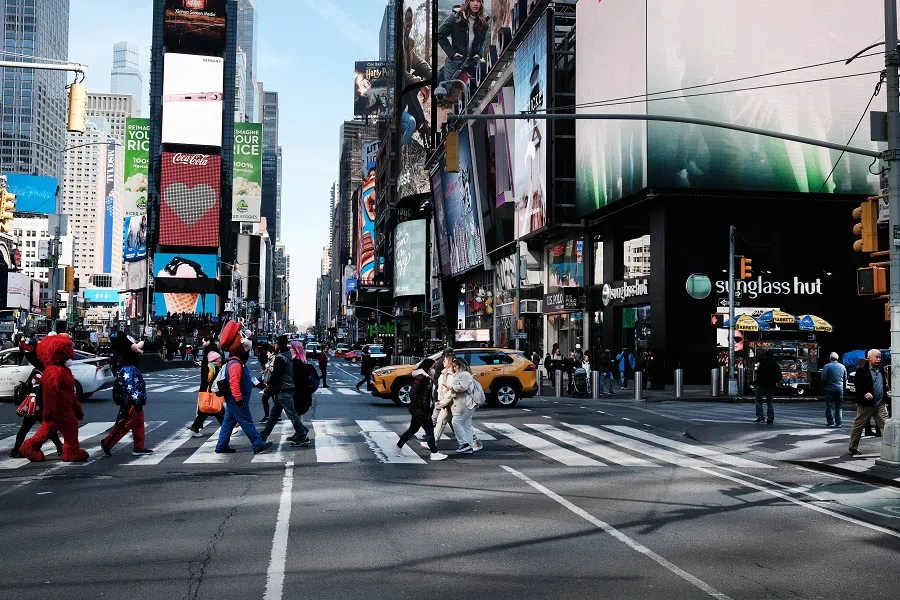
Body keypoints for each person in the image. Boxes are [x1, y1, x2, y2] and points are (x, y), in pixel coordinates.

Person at [214, 321, 272, 455]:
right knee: (246, 421)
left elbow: (246, 380)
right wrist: (239, 399)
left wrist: (259, 385)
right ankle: (257, 444)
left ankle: (221, 446)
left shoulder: (238, 363)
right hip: (237, 399)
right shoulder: (235, 364)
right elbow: (234, 383)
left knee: (228, 423)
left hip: (235, 399)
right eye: (241, 337)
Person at [9, 340, 63, 458]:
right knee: (47, 428)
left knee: (30, 428)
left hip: (34, 406)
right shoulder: (41, 372)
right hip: (38, 406)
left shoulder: (39, 370)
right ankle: (60, 447)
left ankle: (15, 450)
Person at [101, 334, 153, 457]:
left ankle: (138, 447)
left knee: (138, 425)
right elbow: (130, 387)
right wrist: (137, 400)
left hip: (137, 400)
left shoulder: (130, 366)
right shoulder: (128, 368)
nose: (139, 354)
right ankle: (107, 442)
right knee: (125, 424)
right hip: (132, 401)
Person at [260, 335, 310, 446]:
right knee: (274, 416)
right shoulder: (287, 356)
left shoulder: (280, 358)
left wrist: (268, 385)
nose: (274, 346)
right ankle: (263, 435)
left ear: (279, 344)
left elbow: (276, 376)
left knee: (291, 414)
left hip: (284, 390)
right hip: (284, 390)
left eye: (275, 343)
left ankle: (302, 435)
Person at [395, 359, 447, 461]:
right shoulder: (421, 377)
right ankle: (434, 453)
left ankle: (397, 447)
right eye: (432, 367)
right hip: (420, 410)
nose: (433, 369)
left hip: (418, 409)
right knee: (429, 430)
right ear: (427, 367)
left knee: (413, 429)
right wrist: (422, 405)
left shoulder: (425, 377)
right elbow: (413, 393)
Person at [848, 349, 890, 455]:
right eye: (877, 357)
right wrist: (865, 393)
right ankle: (852, 447)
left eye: (880, 357)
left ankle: (889, 449)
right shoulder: (862, 370)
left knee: (886, 426)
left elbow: (883, 382)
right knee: (858, 425)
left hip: (880, 404)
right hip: (866, 405)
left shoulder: (881, 368)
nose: (879, 359)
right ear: (869, 357)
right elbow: (858, 385)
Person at [437, 0, 489, 84]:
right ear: (467, 2)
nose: (475, 4)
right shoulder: (456, 17)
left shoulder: (483, 22)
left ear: (482, 3)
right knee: (452, 91)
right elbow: (440, 35)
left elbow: (481, 41)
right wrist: (452, 53)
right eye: (472, 0)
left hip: (473, 64)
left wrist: (479, 53)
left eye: (478, 1)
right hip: (456, 64)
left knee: (479, 90)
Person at [187, 351, 224, 436]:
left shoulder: (213, 367)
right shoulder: (210, 368)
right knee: (219, 411)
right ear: (214, 361)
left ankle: (195, 427)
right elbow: (207, 381)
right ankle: (228, 428)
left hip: (208, 393)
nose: (220, 362)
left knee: (204, 411)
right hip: (210, 393)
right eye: (219, 360)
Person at [447, 357, 476, 454]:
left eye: (456, 366)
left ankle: (464, 444)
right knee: (466, 425)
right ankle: (469, 446)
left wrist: (452, 387)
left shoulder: (464, 374)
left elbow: (463, 387)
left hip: (464, 403)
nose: (454, 368)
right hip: (465, 403)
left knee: (456, 422)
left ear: (460, 365)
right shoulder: (465, 374)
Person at [820, 351, 847, 428]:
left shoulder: (827, 366)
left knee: (829, 406)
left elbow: (823, 378)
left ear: (830, 358)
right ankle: (839, 423)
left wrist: (825, 385)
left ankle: (831, 423)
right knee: (839, 407)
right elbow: (845, 378)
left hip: (829, 388)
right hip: (839, 388)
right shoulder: (842, 367)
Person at [754, 352, 782, 425]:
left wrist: (756, 384)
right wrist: (773, 381)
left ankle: (761, 417)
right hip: (771, 386)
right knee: (770, 402)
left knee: (758, 400)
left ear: (766, 356)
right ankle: (770, 418)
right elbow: (779, 377)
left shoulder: (762, 364)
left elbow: (759, 375)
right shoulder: (776, 365)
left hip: (762, 385)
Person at [258, 344, 276, 424]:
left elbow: (274, 371)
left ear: (272, 352)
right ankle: (276, 416)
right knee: (275, 400)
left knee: (265, 399)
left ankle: (267, 416)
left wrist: (268, 367)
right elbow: (268, 370)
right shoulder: (269, 359)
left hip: (271, 384)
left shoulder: (275, 359)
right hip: (268, 383)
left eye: (268, 352)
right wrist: (264, 370)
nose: (266, 354)